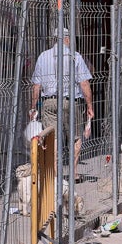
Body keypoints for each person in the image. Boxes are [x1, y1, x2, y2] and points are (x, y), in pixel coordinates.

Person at [30, 28, 95, 170]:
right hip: (71, 102)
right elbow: (84, 83)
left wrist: (33, 107)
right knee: (75, 137)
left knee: (53, 138)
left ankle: (54, 174)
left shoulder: (43, 57)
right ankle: (73, 173)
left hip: (49, 102)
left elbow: (36, 85)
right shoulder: (75, 56)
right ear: (67, 38)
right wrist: (90, 106)